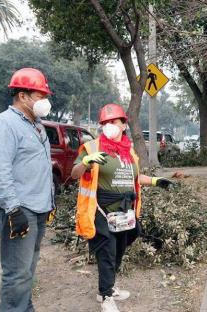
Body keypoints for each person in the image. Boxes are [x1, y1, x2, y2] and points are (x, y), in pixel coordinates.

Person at [71, 103, 174, 312]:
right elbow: (74, 173)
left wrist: (155, 181)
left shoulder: (129, 152)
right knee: (106, 252)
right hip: (101, 210)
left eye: (113, 122)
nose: (109, 126)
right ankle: (106, 296)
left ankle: (108, 288)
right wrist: (87, 162)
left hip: (125, 212)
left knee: (119, 249)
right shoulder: (92, 148)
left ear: (124, 125)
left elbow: (135, 178)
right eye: (105, 123)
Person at [0, 68, 55, 311]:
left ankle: (24, 308)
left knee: (28, 270)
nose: (44, 102)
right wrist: (13, 211)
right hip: (18, 209)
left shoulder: (37, 125)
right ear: (23, 96)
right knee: (16, 273)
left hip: (38, 208)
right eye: (40, 95)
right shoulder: (4, 124)